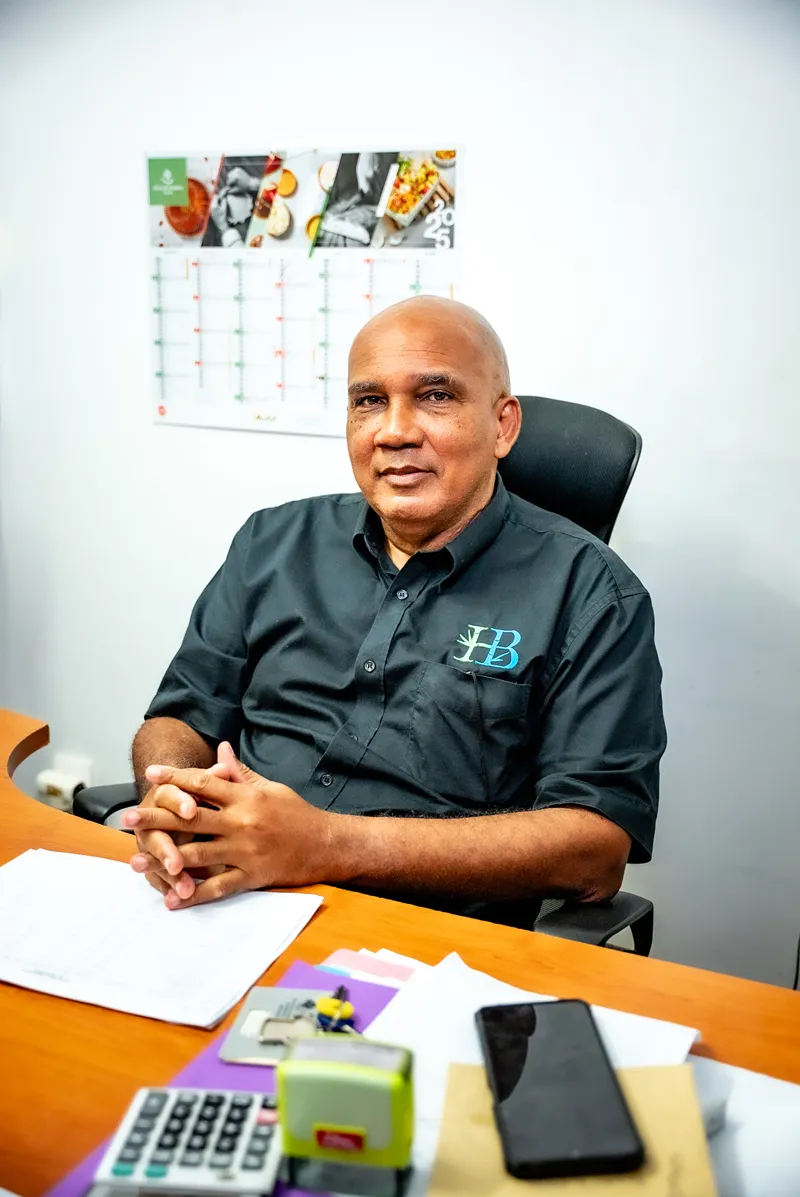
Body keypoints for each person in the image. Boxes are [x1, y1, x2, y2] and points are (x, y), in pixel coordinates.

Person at [125, 297, 666, 927]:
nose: (394, 430)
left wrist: (323, 844)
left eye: (436, 396)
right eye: (369, 401)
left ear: (504, 426)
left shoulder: (594, 593)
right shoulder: (271, 542)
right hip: (219, 901)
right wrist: (171, 803)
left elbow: (596, 852)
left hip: (425, 936)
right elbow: (182, 715)